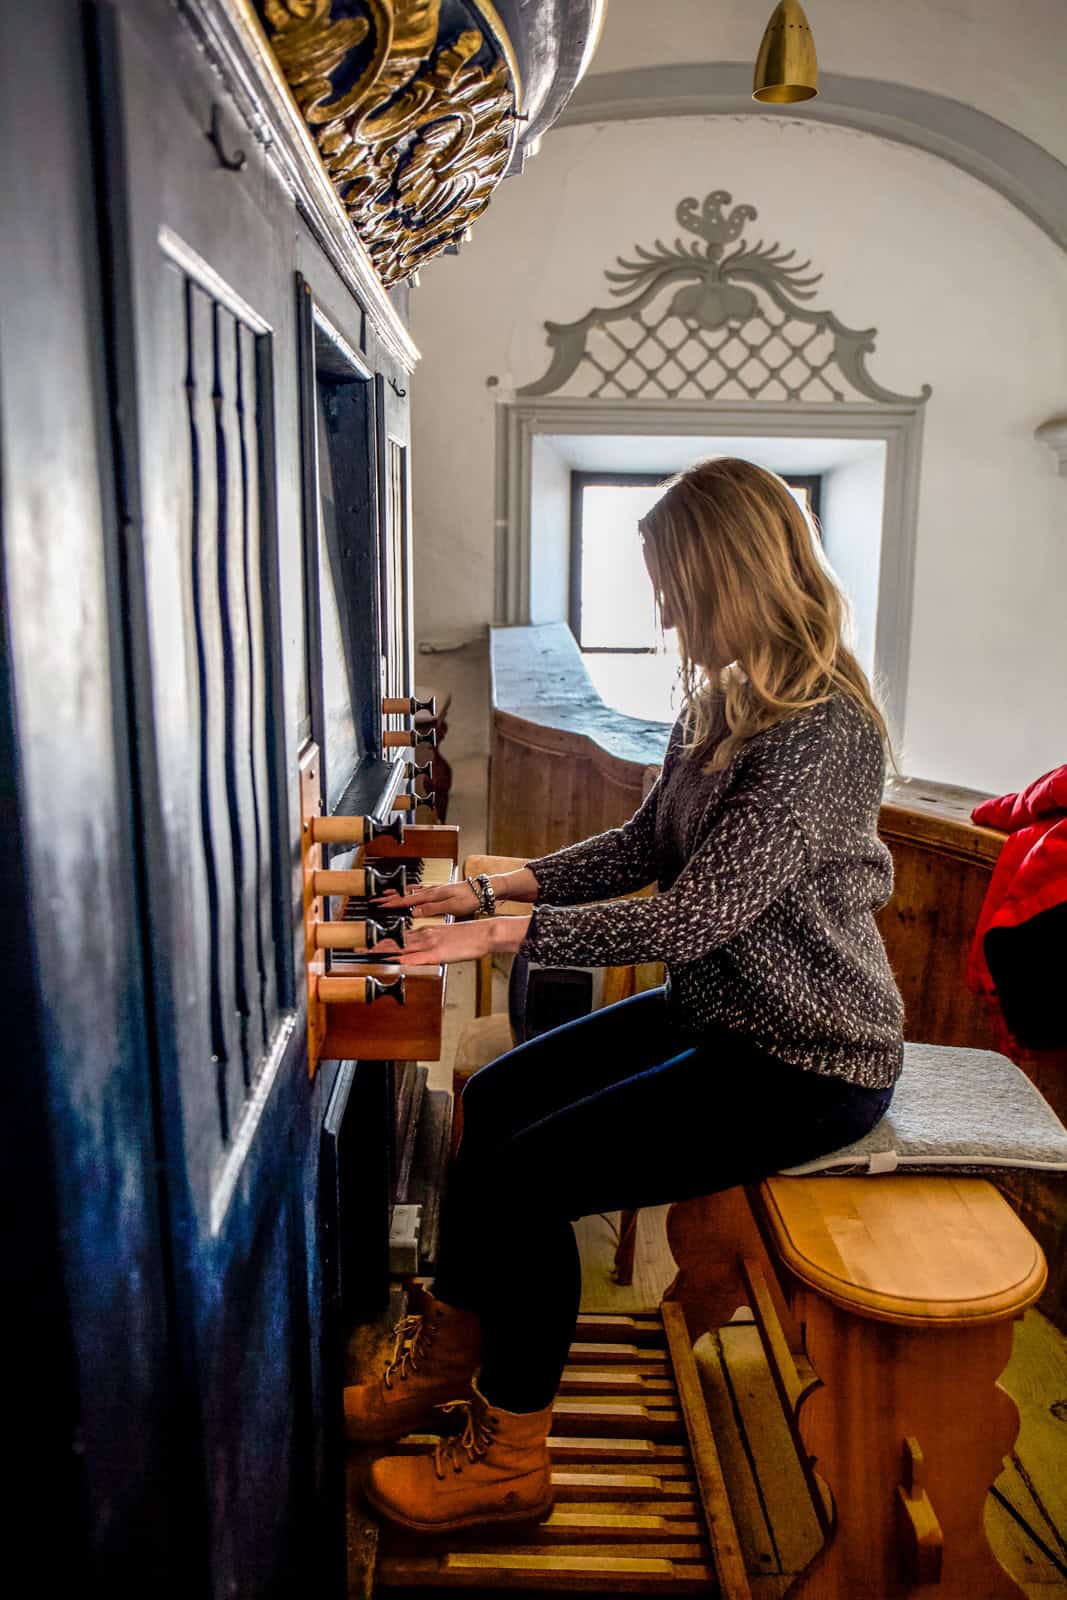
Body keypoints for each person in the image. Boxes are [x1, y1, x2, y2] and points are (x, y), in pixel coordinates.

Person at [346, 456, 905, 1535]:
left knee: (525, 1178)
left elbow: (688, 917)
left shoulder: (820, 729)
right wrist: (492, 881)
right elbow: (645, 845)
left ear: (728, 577)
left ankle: (508, 1451)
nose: (661, 610)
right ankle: (448, 1356)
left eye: (671, 586)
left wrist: (501, 929)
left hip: (807, 1059)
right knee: (491, 1104)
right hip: (722, 1015)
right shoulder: (721, 700)